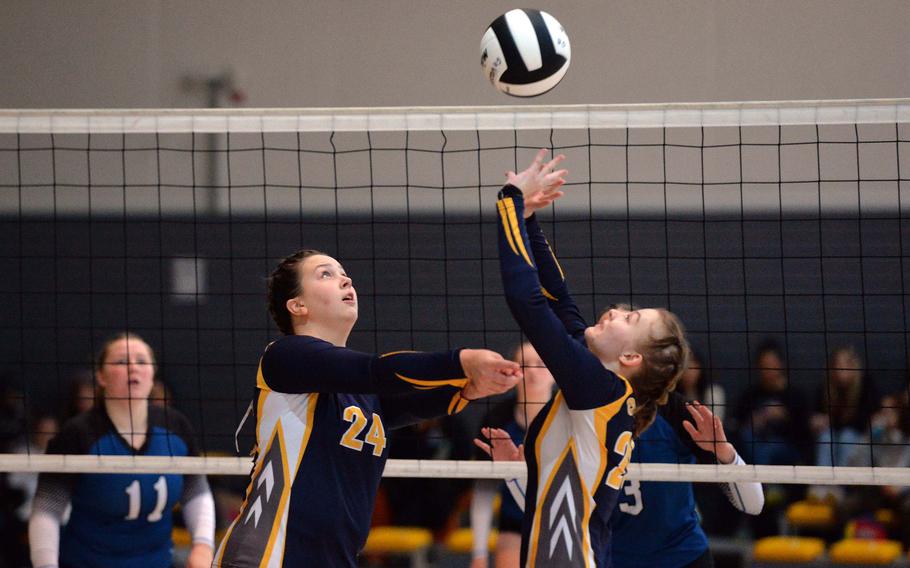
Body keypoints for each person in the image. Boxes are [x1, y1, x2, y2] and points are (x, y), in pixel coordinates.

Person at [212, 250, 522, 568]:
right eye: (325, 274)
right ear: (298, 305)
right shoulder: (285, 356)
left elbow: (407, 404)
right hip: (267, 555)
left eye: (343, 271)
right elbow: (378, 371)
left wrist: (470, 388)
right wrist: (461, 361)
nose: (346, 279)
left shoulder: (361, 392)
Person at [477, 149, 690, 567]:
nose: (613, 311)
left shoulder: (599, 389)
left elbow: (528, 302)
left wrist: (509, 201)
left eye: (630, 318)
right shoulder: (601, 389)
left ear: (630, 356)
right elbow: (559, 299)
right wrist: (529, 220)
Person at [29, 333, 216, 568]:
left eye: (141, 361)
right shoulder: (77, 433)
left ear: (152, 375)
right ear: (101, 377)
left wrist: (202, 545)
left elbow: (195, 490)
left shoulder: (175, 426)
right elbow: (47, 508)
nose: (132, 368)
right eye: (120, 361)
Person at [611, 392, 764, 568]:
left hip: (683, 557)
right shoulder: (586, 410)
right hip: (612, 558)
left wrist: (723, 451)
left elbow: (754, 504)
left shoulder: (672, 410)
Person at [470, 342, 556, 568]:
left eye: (540, 364)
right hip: (515, 522)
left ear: (555, 372)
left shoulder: (571, 415)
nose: (532, 372)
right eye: (524, 365)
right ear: (513, 372)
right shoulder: (497, 419)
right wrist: (478, 554)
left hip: (562, 518)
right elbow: (484, 489)